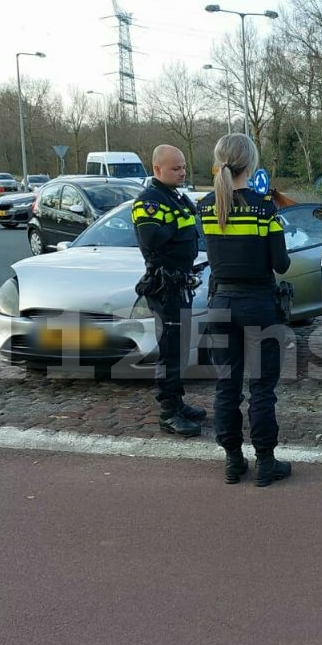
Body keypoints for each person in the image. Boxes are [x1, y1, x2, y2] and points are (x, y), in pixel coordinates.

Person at [196, 133, 294, 487]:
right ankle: (266, 462)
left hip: (221, 303)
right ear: (251, 164)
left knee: (227, 385)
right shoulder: (264, 207)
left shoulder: (207, 206)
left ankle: (233, 461)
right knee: (263, 387)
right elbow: (280, 264)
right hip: (259, 305)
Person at [133, 144, 205, 437]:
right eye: (175, 168)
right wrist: (177, 223)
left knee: (179, 346)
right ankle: (168, 411)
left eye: (183, 166)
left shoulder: (175, 197)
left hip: (180, 281)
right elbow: (152, 239)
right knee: (170, 350)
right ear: (157, 169)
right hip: (164, 285)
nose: (182, 172)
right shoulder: (149, 201)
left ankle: (177, 402)